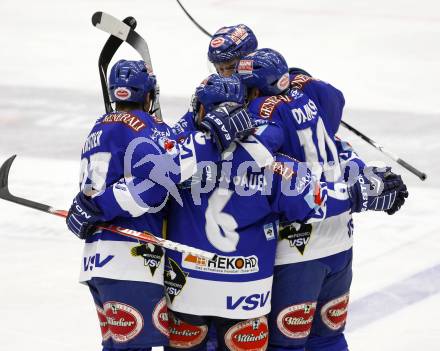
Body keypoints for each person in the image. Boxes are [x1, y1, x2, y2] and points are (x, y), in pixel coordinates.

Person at [162, 74, 406, 351]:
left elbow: (145, 180)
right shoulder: (272, 164)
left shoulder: (176, 154)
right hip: (247, 289)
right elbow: (313, 198)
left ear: (202, 110)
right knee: (323, 340)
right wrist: (359, 192)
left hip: (186, 286)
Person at [65, 59, 255, 351]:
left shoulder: (98, 127)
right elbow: (153, 186)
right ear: (149, 95)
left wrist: (91, 204)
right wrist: (209, 139)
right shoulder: (144, 127)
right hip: (130, 261)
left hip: (97, 263)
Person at [237, 48, 408, 351]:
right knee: (329, 338)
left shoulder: (264, 110)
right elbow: (337, 112)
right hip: (341, 242)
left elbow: (252, 157)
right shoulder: (311, 100)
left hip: (299, 247)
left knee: (286, 345)